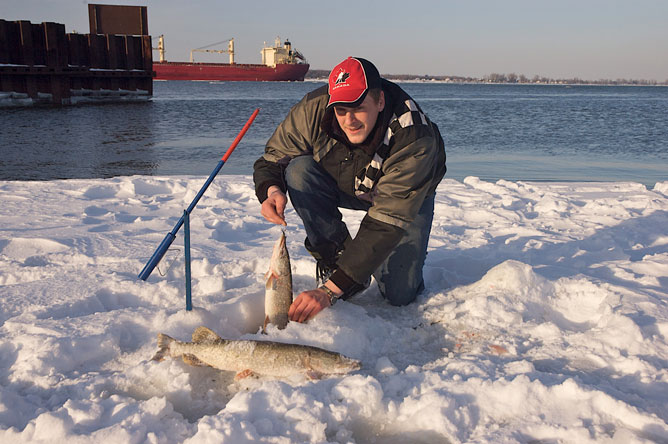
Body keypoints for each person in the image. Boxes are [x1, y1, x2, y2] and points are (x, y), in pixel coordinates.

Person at [253, 56, 446, 323]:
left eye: (358, 108)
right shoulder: (315, 108)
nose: (349, 120)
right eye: (341, 110)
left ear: (379, 102)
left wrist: (328, 293)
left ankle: (359, 271)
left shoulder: (413, 136)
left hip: (404, 198)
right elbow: (274, 157)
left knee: (399, 294)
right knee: (298, 171)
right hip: (347, 180)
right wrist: (271, 190)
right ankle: (337, 260)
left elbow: (387, 220)